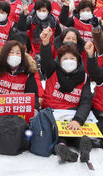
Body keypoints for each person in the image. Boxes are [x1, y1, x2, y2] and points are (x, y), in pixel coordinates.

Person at [39, 28, 94, 163]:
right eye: (65, 58)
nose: (68, 61)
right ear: (59, 60)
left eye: (72, 58)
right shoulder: (53, 70)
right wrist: (45, 44)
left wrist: (78, 119)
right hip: (52, 112)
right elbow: (46, 62)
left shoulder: (84, 78)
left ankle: (83, 145)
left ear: (78, 60)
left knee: (76, 130)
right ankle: (62, 148)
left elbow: (86, 101)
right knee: (56, 133)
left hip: (72, 113)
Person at [0, 40, 42, 128]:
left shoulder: (28, 72)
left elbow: (33, 94)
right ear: (5, 54)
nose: (15, 55)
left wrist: (34, 109)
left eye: (18, 53)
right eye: (11, 52)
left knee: (36, 117)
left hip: (18, 111)